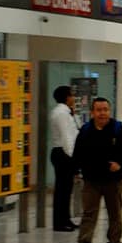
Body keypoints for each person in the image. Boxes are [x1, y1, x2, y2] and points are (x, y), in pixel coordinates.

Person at [73, 98, 122, 243]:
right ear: (92, 112)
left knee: (115, 213)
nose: (102, 113)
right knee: (89, 213)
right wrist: (76, 170)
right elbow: (77, 153)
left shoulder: (118, 129)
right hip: (91, 180)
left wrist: (120, 165)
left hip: (113, 180)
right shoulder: (85, 131)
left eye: (105, 109)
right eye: (99, 110)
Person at [49, 85, 80, 232]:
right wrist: (73, 158)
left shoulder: (66, 112)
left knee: (67, 189)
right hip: (63, 153)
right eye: (72, 95)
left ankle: (66, 219)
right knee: (62, 190)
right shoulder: (61, 113)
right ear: (67, 97)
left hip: (65, 153)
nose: (74, 98)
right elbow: (66, 137)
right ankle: (59, 222)